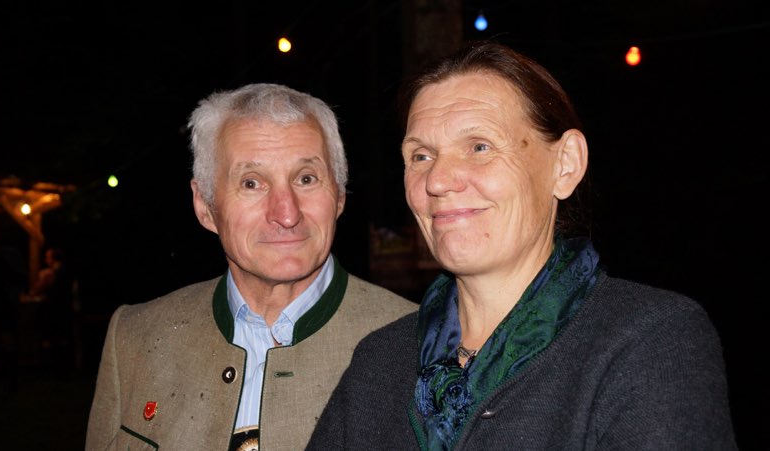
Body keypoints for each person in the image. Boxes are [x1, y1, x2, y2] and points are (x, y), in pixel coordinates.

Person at [307, 41, 737, 450]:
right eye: (421, 156)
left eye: (479, 147)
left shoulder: (648, 342)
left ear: (565, 165)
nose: (437, 180)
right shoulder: (379, 362)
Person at [85, 83, 417, 450]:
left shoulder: (421, 345)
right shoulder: (134, 339)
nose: (286, 214)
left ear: (339, 195)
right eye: (252, 183)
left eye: (306, 178)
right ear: (205, 206)